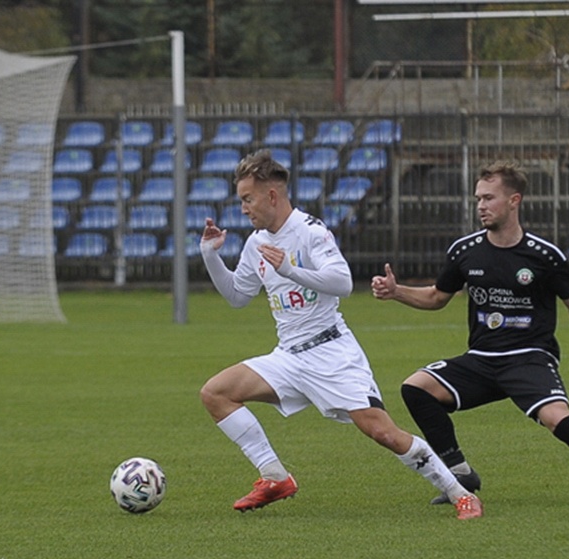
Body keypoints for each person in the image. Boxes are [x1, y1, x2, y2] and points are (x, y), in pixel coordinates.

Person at [199, 149, 482, 520]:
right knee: (216, 393)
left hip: (332, 352)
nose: (243, 208)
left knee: (382, 433)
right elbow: (237, 296)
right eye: (241, 200)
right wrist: (210, 255)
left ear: (272, 195)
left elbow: (343, 283)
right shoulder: (255, 243)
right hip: (289, 356)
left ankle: (461, 494)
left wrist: (291, 270)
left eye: (247, 199)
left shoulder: (311, 232)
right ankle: (274, 476)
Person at [371, 160, 569, 507]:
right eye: (478, 198)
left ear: (514, 200)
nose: (481, 206)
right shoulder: (465, 250)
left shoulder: (544, 255)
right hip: (482, 359)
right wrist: (396, 291)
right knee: (416, 388)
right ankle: (460, 473)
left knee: (557, 420)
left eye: (489, 198)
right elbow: (437, 297)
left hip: (530, 358)